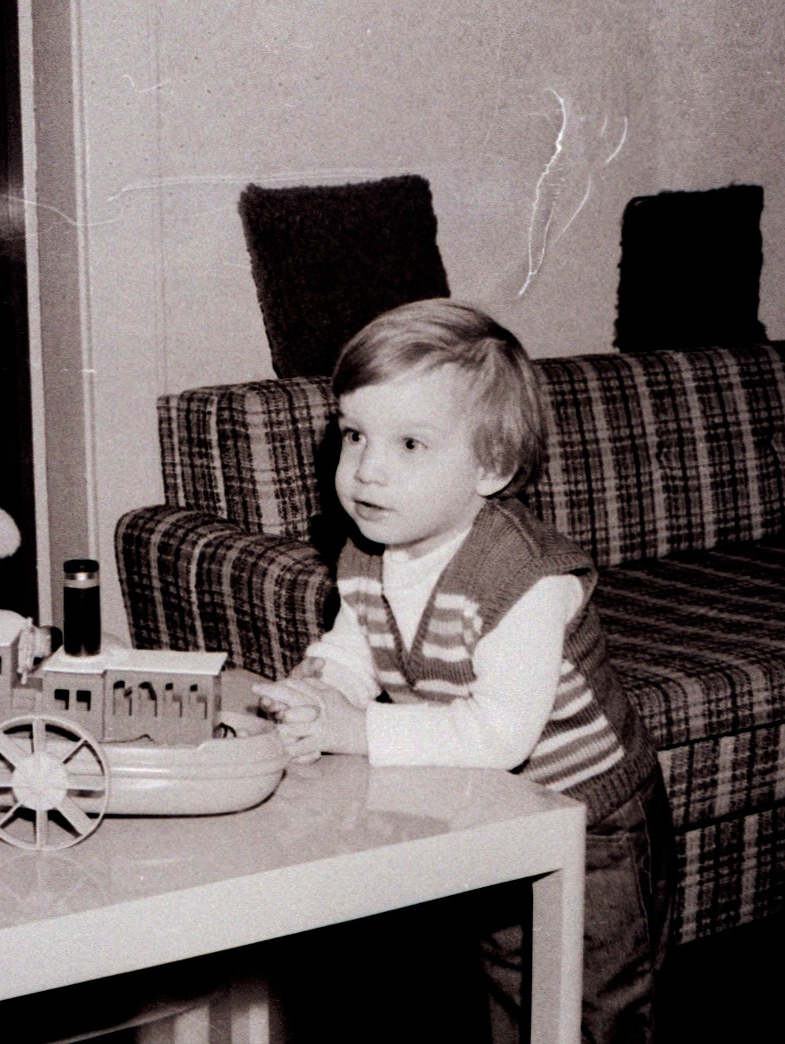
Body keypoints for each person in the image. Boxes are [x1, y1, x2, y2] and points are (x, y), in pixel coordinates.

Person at [254, 300, 672, 1044]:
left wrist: (357, 728)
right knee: (510, 977)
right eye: (354, 435)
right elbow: (353, 646)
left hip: (590, 816)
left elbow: (500, 734)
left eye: (410, 443)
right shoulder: (365, 554)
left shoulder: (524, 575)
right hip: (489, 806)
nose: (367, 469)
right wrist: (318, 691)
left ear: (492, 466)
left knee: (597, 1001)